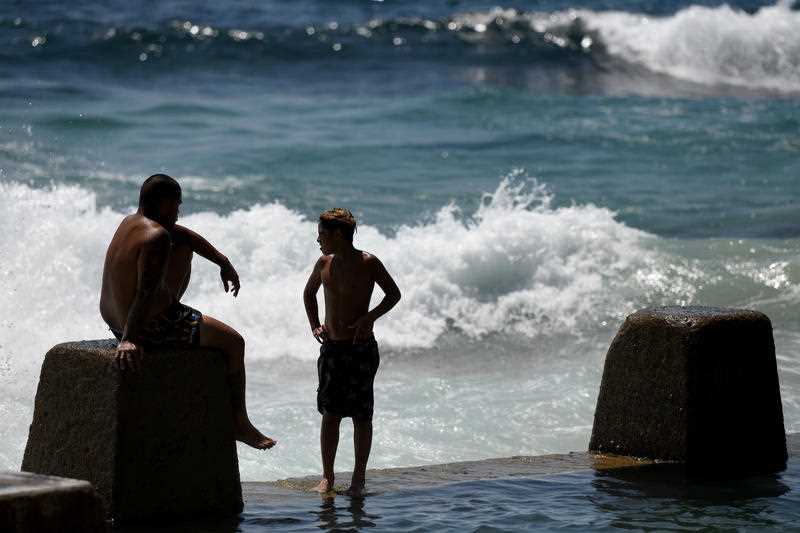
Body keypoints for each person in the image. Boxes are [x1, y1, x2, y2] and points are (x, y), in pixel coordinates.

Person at [99, 173, 275, 450]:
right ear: (163, 204)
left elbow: (186, 237)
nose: (179, 213)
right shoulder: (156, 237)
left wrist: (222, 261)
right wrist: (130, 340)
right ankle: (240, 423)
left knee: (183, 247)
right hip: (146, 326)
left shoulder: (132, 223)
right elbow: (145, 294)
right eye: (176, 206)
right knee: (234, 342)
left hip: (114, 319)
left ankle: (159, 314)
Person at [303, 208, 401, 496]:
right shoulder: (324, 263)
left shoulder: (368, 263)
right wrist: (314, 325)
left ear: (337, 234)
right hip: (332, 348)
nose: (318, 239)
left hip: (360, 349)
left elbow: (393, 294)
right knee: (330, 415)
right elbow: (308, 293)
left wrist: (370, 317)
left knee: (361, 415)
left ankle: (358, 478)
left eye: (321, 234)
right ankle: (328, 477)